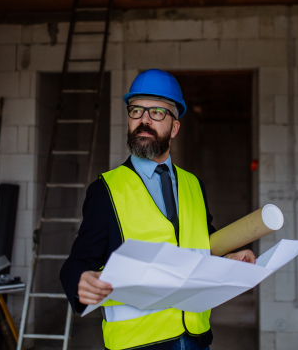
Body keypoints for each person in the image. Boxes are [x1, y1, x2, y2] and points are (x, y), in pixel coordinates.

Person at [60, 69, 255, 350]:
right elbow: (77, 262)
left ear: (175, 127)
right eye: (136, 110)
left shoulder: (193, 184)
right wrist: (80, 279)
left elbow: (201, 241)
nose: (144, 121)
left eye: (157, 113)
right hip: (139, 344)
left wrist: (229, 257)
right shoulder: (106, 190)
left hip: (196, 337)